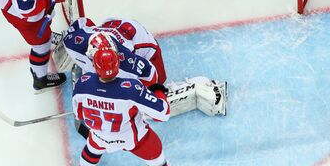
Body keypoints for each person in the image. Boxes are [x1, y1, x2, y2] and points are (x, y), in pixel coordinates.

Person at [72, 45, 181, 166]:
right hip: (132, 139)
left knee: (92, 147)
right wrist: (158, 91)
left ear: (95, 66)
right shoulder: (131, 88)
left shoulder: (82, 83)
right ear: (117, 65)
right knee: (155, 154)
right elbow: (163, 113)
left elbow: (79, 114)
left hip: (99, 135)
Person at [57, 17, 227, 117]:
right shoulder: (74, 41)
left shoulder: (127, 59)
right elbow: (83, 22)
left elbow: (150, 73)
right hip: (115, 26)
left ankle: (202, 88)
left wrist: (151, 92)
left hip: (147, 49)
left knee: (145, 106)